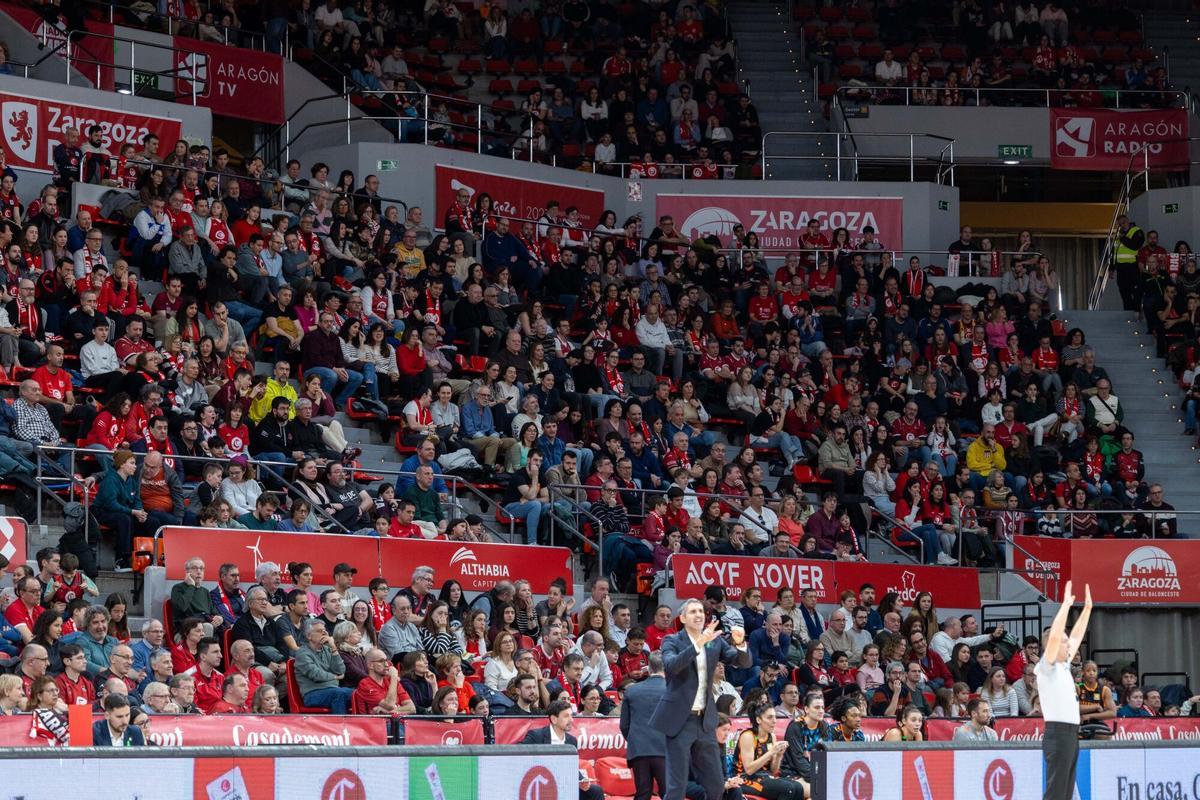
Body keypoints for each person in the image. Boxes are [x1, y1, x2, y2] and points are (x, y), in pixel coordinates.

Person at [650, 598, 751, 800]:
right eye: (693, 611)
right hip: (680, 720)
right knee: (677, 787)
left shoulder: (714, 640)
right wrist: (698, 644)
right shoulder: (672, 640)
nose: (698, 615)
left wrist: (740, 644)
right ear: (683, 618)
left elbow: (743, 663)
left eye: (700, 611)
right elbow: (671, 666)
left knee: (716, 786)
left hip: (705, 720)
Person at [1038, 582, 1093, 800]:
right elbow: (1054, 637)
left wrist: (1087, 610)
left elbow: (1077, 637)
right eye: (1064, 641)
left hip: (1071, 733)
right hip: (1058, 733)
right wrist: (1065, 606)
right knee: (1056, 793)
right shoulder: (1047, 666)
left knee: (1066, 793)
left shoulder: (1063, 665)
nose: (1068, 644)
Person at [522, 700, 606, 800]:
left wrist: (582, 781)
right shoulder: (536, 736)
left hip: (565, 785)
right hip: (542, 784)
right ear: (554, 719)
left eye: (571, 715)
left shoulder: (572, 741)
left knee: (595, 791)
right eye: (566, 716)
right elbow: (520, 757)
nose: (571, 720)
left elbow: (572, 768)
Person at [620, 651, 667, 800]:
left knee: (642, 794)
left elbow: (624, 725)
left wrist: (636, 739)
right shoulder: (674, 690)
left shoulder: (631, 690)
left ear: (649, 668)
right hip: (666, 750)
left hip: (639, 750)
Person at [734, 699, 803, 800]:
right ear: (758, 720)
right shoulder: (748, 736)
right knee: (788, 788)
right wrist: (771, 752)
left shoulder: (772, 736)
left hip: (765, 777)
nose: (774, 721)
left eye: (775, 717)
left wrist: (779, 755)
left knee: (798, 788)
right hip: (745, 779)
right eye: (770, 717)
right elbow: (749, 770)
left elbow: (774, 770)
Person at [294, 619, 354, 714]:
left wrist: (333, 648)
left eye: (324, 630)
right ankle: (340, 723)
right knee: (339, 694)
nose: (324, 633)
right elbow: (316, 675)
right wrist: (335, 677)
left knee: (360, 693)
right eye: (319, 631)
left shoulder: (328, 649)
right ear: (309, 636)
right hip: (313, 694)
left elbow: (340, 670)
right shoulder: (302, 653)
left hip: (333, 690)